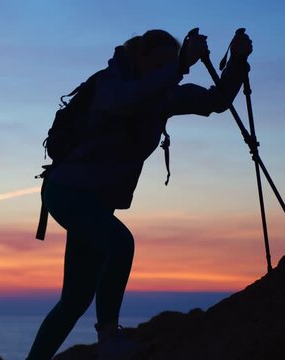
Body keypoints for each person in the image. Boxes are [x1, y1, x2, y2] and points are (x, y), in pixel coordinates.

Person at [26, 28, 253, 360]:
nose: (165, 71)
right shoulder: (110, 84)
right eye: (159, 64)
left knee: (75, 300)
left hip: (93, 201)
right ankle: (109, 341)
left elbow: (214, 101)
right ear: (140, 58)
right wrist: (178, 66)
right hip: (66, 191)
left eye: (168, 64)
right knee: (120, 245)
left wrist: (236, 62)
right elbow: (126, 100)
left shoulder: (162, 95)